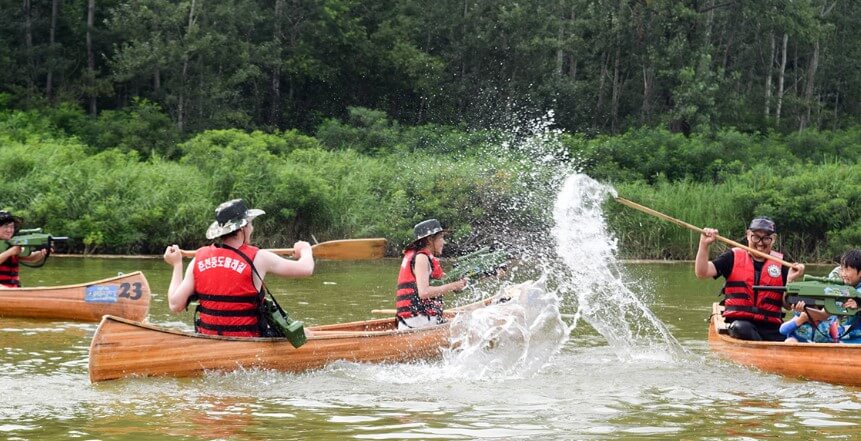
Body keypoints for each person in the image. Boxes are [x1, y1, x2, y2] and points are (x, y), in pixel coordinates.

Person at [163, 199, 314, 337]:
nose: (252, 228)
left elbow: (175, 305)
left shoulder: (198, 259)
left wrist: (177, 264)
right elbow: (306, 268)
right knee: (306, 334)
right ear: (243, 228)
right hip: (249, 342)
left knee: (305, 332)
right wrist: (306, 249)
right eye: (251, 224)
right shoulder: (259, 257)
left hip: (209, 341)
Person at [695, 216, 805, 341]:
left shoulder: (782, 264)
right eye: (756, 237)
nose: (760, 243)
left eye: (766, 238)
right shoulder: (731, 257)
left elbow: (787, 305)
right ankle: (762, 351)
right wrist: (704, 244)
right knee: (742, 328)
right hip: (740, 324)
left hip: (771, 327)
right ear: (748, 235)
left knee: (793, 338)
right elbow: (702, 272)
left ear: (773, 239)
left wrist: (790, 280)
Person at [395, 219, 468, 330]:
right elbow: (424, 293)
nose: (444, 242)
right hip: (417, 322)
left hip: (421, 320)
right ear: (429, 240)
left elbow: (446, 282)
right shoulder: (421, 258)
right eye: (441, 238)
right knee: (468, 323)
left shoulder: (426, 258)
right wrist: (454, 285)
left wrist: (460, 283)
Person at [0, 210, 49, 288]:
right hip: (4, 290)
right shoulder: (11, 249)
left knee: (42, 288)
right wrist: (10, 252)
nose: (9, 230)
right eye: (5, 226)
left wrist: (42, 253)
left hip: (13, 290)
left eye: (11, 227)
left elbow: (31, 258)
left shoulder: (12, 244)